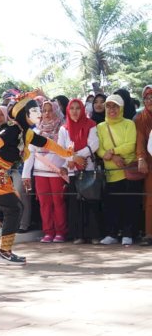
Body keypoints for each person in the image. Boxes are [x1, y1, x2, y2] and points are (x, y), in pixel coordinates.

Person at [0, 90, 74, 265]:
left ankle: (4, 252)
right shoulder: (11, 130)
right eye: (35, 111)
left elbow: (47, 143)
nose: (39, 114)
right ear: (24, 115)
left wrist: (66, 153)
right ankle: (4, 252)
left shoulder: (27, 133)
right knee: (14, 208)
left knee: (14, 208)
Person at [97, 94, 140, 246]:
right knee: (112, 205)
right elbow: (99, 149)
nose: (111, 109)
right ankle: (112, 233)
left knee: (129, 204)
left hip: (127, 171)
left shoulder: (129, 124)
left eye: (115, 106)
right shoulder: (101, 126)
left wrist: (113, 151)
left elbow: (131, 144)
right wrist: (110, 156)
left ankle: (128, 233)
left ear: (121, 108)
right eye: (108, 106)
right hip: (111, 173)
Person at [23, 100, 67, 243]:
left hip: (57, 172)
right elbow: (29, 154)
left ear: (56, 111)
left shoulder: (62, 129)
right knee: (44, 203)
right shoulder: (35, 131)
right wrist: (25, 175)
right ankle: (48, 231)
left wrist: (65, 166)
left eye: (50, 110)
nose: (47, 114)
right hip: (39, 172)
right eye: (44, 110)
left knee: (58, 202)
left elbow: (66, 151)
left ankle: (60, 232)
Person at [58, 98, 100, 245]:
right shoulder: (64, 128)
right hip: (72, 171)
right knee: (75, 203)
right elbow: (61, 149)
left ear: (82, 110)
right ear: (68, 111)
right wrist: (74, 158)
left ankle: (93, 234)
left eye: (78, 108)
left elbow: (94, 144)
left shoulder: (91, 124)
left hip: (87, 169)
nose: (75, 111)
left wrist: (77, 157)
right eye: (72, 108)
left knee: (90, 201)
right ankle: (78, 235)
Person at [135, 86, 152, 245]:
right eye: (146, 98)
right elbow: (140, 139)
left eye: (151, 98)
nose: (149, 101)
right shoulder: (140, 118)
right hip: (150, 163)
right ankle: (149, 233)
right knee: (150, 198)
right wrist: (141, 158)